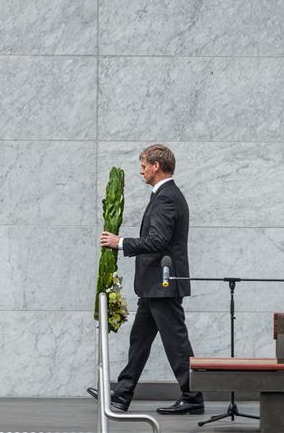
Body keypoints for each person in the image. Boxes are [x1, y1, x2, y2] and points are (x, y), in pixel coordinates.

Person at [88, 144, 204, 415]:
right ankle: (122, 395)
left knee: (176, 342)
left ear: (157, 166)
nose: (141, 170)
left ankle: (193, 397)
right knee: (139, 340)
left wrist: (120, 243)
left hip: (163, 284)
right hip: (154, 287)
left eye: (144, 165)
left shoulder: (166, 197)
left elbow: (158, 240)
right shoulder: (164, 195)